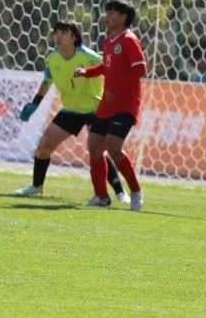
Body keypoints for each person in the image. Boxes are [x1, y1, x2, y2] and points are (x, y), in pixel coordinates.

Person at [11, 20, 128, 202]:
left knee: (98, 151)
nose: (58, 36)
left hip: (96, 110)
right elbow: (47, 82)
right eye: (56, 32)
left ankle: (120, 193)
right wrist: (34, 104)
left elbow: (110, 71)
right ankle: (36, 187)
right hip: (71, 110)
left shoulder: (89, 57)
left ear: (74, 36)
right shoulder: (52, 59)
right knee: (43, 146)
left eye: (63, 32)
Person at [75, 0, 147, 210]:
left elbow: (140, 69)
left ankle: (135, 191)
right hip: (106, 106)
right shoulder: (109, 41)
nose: (108, 16)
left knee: (114, 149)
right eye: (108, 12)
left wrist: (118, 90)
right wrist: (87, 72)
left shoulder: (129, 40)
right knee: (94, 147)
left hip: (125, 106)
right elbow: (106, 67)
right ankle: (101, 196)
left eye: (113, 13)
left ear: (124, 17)